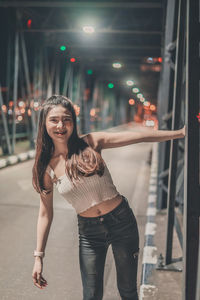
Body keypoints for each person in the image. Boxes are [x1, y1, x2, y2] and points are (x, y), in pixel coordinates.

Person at [31, 95, 185, 300]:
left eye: (67, 119)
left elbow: (138, 136)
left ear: (73, 122)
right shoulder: (46, 169)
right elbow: (44, 214)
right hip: (89, 233)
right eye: (54, 120)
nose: (61, 125)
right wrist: (38, 257)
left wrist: (180, 133)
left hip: (122, 222)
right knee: (91, 294)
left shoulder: (91, 143)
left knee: (128, 290)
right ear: (44, 123)